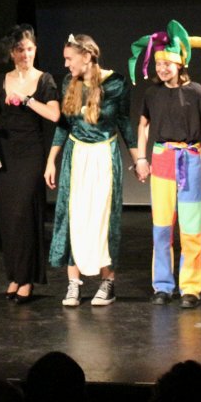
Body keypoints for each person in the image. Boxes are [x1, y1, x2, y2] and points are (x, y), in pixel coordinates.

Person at [45, 34, 142, 307]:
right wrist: (51, 160)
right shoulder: (69, 82)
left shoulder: (116, 83)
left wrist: (139, 159)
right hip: (76, 156)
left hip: (103, 156)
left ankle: (107, 282)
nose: (66, 65)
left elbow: (124, 123)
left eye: (69, 59)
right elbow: (63, 125)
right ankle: (73, 283)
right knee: (75, 217)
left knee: (102, 218)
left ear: (86, 56)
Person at [0, 24, 61, 304]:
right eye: (20, 50)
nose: (26, 54)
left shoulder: (44, 79)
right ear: (12, 53)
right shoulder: (1, 80)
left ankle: (27, 278)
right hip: (5, 154)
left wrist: (27, 100)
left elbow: (54, 115)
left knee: (24, 214)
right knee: (9, 218)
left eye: (30, 49)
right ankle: (14, 275)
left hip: (30, 154)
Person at [129, 20, 201, 309]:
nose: (162, 69)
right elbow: (143, 125)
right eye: (158, 64)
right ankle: (163, 285)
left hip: (189, 158)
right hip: (162, 157)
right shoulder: (152, 93)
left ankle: (190, 287)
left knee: (191, 226)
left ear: (180, 63)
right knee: (162, 226)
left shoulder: (196, 92)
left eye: (167, 64)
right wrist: (141, 159)